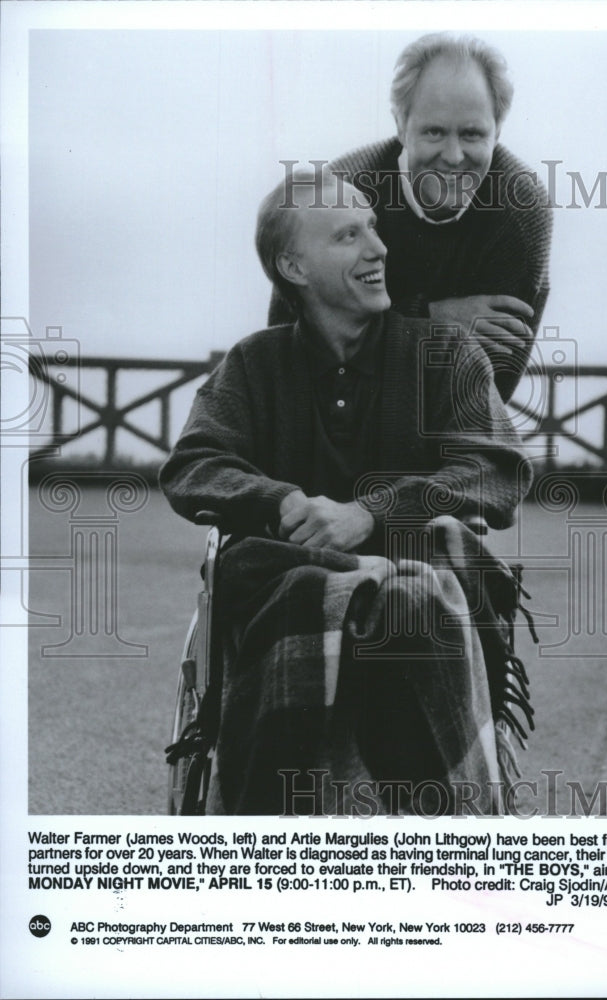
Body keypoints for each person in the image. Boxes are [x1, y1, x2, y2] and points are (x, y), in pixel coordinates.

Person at [160, 172, 534, 816]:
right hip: (291, 585)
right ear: (294, 266)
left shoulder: (446, 354)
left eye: (374, 228)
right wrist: (282, 503)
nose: (378, 248)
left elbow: (495, 468)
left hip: (419, 579)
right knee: (290, 576)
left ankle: (448, 845)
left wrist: (369, 515)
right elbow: (194, 463)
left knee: (415, 594)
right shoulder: (254, 364)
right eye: (348, 235)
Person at [269, 32, 553, 403]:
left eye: (472, 134)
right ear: (401, 125)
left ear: (497, 131)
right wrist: (430, 322)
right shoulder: (339, 194)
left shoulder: (522, 211)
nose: (453, 156)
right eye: (434, 131)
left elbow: (486, 392)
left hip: (445, 433)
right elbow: (289, 352)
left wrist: (376, 331)